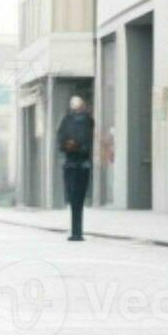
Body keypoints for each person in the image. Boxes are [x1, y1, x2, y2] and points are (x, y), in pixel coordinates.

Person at [57, 96, 95, 242]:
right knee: (75, 199)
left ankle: (77, 232)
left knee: (77, 199)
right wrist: (70, 145)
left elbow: (87, 141)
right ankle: (76, 231)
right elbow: (61, 140)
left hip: (79, 164)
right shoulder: (69, 121)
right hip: (73, 164)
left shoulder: (86, 121)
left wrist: (73, 146)